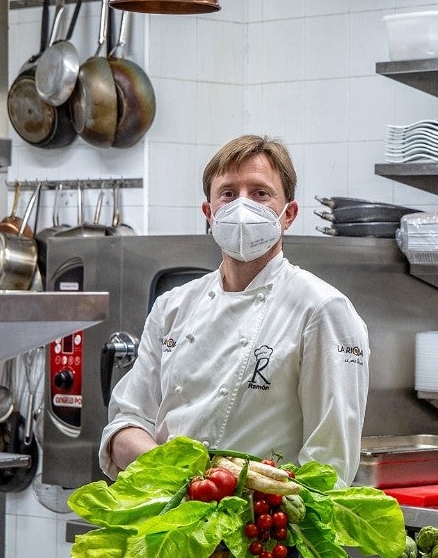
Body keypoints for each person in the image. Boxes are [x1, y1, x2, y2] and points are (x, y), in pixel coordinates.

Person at [100, 133, 370, 488]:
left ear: (288, 215)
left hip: (263, 533)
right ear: (209, 213)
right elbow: (125, 425)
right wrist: (187, 485)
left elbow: (328, 466)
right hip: (167, 520)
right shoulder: (173, 307)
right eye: (228, 193)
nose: (242, 207)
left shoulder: (322, 310)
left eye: (260, 193)